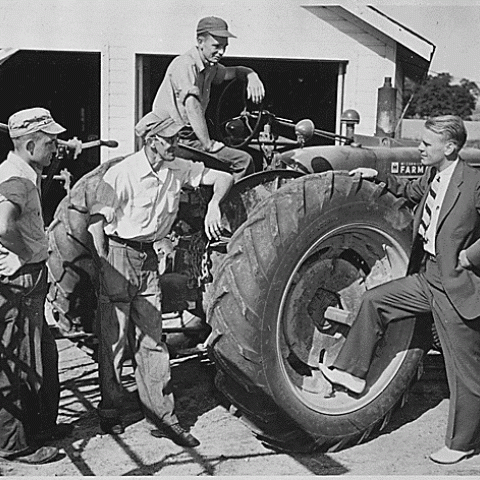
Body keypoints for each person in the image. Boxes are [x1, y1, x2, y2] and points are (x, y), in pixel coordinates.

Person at [319, 115, 480, 465]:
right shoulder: (435, 176)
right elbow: (412, 191)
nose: (420, 148)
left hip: (456, 285)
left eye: (426, 144)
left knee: (463, 371)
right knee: (376, 301)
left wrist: (469, 257)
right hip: (427, 277)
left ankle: (462, 443)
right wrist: (377, 176)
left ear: (450, 147)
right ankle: (351, 372)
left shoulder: (475, 182)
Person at [88, 111, 233, 447]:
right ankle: (111, 413)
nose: (176, 145)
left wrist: (214, 206)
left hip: (149, 259)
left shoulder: (177, 168)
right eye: (170, 140)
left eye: (178, 139)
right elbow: (96, 222)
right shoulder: (122, 174)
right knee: (115, 341)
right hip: (118, 256)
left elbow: (223, 177)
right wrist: (104, 264)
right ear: (151, 141)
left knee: (153, 340)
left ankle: (162, 418)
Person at [0, 108, 76, 464]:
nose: (56, 147)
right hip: (20, 279)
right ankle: (15, 443)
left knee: (43, 354)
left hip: (30, 279)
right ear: (30, 143)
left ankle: (43, 425)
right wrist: (24, 253)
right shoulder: (17, 179)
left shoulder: (26, 171)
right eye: (50, 142)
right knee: (18, 363)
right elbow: (2, 226)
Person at [152, 15, 265, 182]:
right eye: (217, 46)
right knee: (243, 161)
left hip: (188, 139)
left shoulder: (209, 67)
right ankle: (227, 207)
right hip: (174, 141)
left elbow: (230, 73)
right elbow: (192, 106)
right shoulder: (186, 65)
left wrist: (251, 74)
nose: (221, 52)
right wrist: (208, 144)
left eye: (225, 47)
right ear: (200, 42)